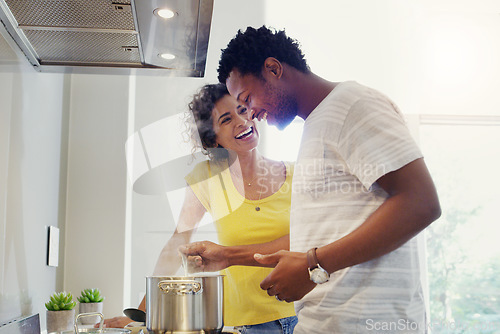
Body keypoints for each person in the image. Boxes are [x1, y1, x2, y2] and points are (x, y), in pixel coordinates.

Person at [212, 26, 441, 333]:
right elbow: (336, 230)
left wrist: (311, 266)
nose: (250, 114)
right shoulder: (317, 124)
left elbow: (421, 202)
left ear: (273, 69)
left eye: (247, 99)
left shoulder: (353, 105)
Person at [102, 83, 297, 334]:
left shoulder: (295, 174)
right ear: (212, 138)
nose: (241, 121)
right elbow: (177, 244)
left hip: (302, 314)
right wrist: (144, 315)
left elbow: (308, 240)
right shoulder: (206, 178)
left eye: (243, 110)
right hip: (243, 325)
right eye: (226, 119)